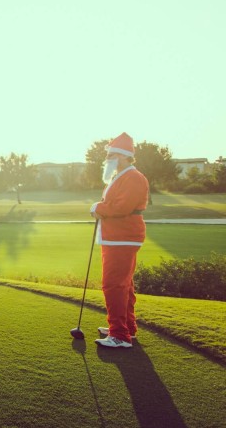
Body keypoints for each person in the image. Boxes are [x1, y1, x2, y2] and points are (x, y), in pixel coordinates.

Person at [90, 133, 149, 348]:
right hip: (117, 236)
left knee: (114, 284)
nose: (107, 159)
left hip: (123, 236)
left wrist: (97, 208)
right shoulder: (122, 175)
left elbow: (121, 208)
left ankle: (119, 335)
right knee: (124, 284)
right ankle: (126, 328)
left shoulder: (133, 177)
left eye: (111, 155)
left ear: (124, 156)